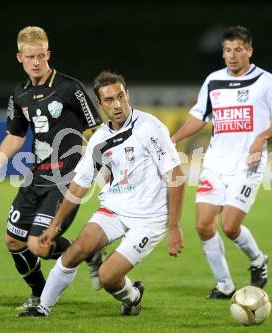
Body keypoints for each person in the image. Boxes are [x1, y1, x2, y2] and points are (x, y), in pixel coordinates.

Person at [17, 71, 185, 317]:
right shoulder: (99, 139)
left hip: (149, 218)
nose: (117, 105)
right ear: (100, 104)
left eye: (120, 96)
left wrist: (174, 226)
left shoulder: (150, 127)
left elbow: (176, 176)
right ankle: (43, 307)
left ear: (127, 94)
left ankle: (133, 297)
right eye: (109, 100)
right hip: (115, 208)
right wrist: (54, 226)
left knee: (107, 276)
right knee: (75, 252)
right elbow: (77, 187)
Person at [0, 26, 104, 310]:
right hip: (35, 177)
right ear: (19, 57)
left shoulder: (70, 87)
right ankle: (39, 294)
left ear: (48, 54)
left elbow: (95, 130)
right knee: (12, 241)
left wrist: (100, 167)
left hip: (66, 178)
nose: (35, 62)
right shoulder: (20, 94)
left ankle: (88, 250)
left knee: (38, 245)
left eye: (40, 56)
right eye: (29, 57)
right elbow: (16, 135)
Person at [171, 25, 272, 299]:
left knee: (229, 225)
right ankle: (225, 285)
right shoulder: (213, 81)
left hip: (247, 165)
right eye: (227, 50)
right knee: (203, 225)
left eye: (238, 50)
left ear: (249, 51)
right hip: (215, 163)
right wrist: (174, 138)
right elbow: (199, 117)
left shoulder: (266, 81)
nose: (232, 56)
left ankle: (258, 259)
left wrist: (260, 137)